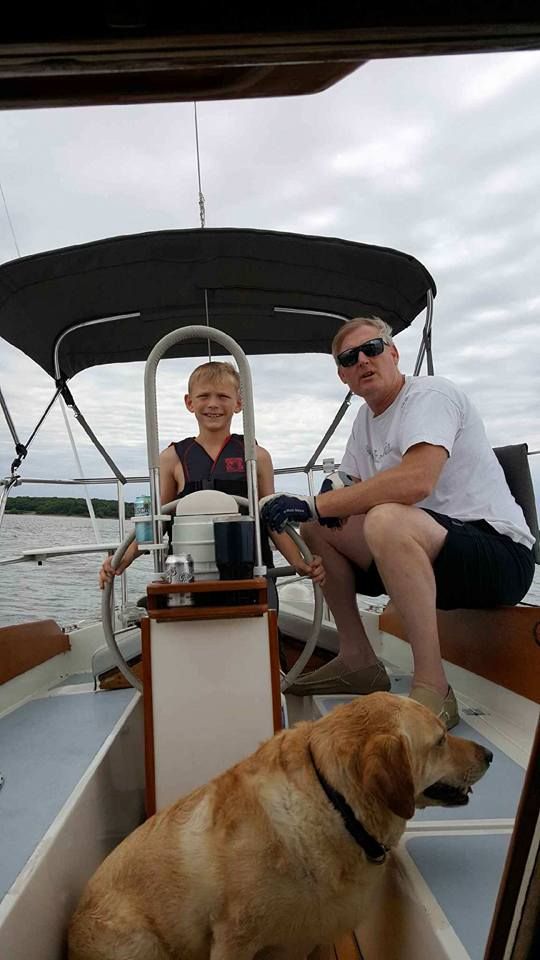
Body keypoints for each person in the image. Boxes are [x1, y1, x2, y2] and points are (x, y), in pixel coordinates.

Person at [261, 317, 535, 728]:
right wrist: (311, 504)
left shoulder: (431, 395)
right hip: (430, 553)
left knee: (385, 519)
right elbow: (344, 489)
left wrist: (316, 502)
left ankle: (434, 688)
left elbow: (417, 480)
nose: (363, 362)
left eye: (372, 349)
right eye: (350, 358)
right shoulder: (364, 423)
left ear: (393, 353)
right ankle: (358, 659)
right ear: (342, 375)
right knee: (319, 528)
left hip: (498, 554)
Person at [99, 360, 324, 593]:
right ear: (189, 402)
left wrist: (299, 562)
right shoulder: (171, 458)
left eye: (223, 396)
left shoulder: (257, 457)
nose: (213, 404)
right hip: (188, 578)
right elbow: (158, 522)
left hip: (251, 572)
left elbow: (273, 521)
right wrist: (122, 559)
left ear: (238, 403)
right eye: (204, 396)